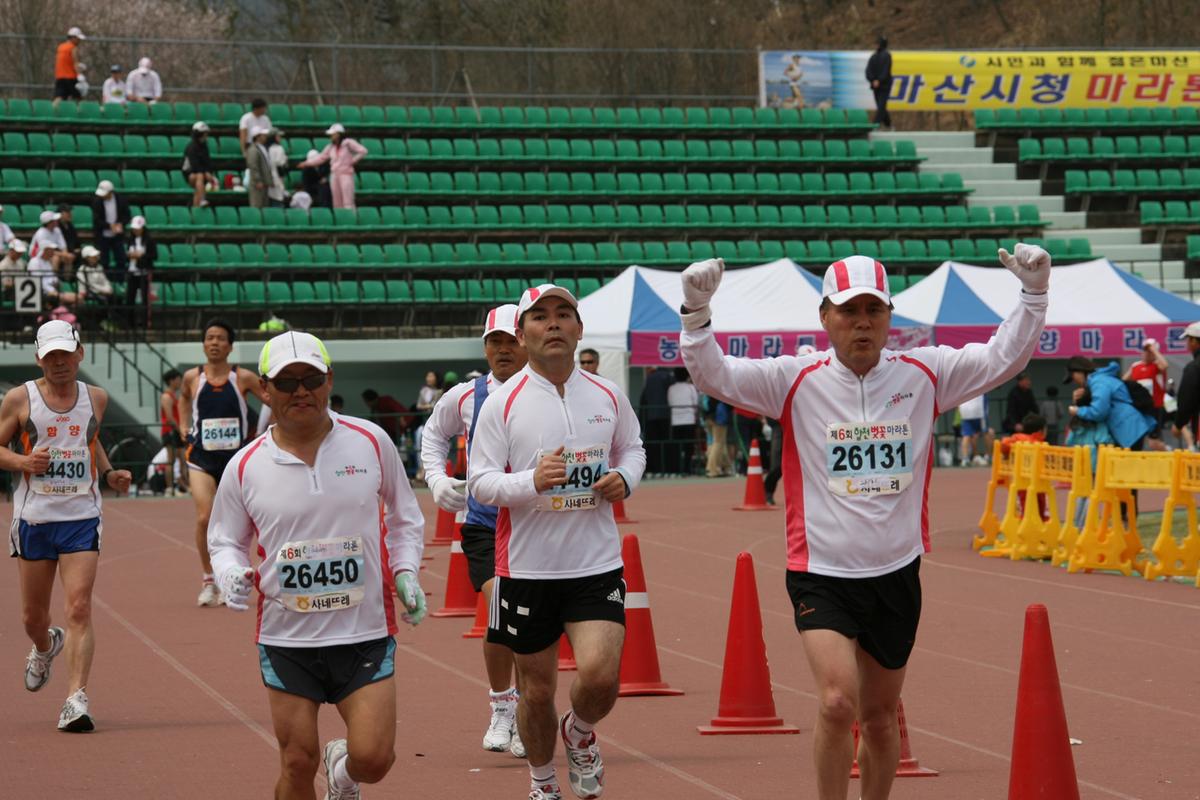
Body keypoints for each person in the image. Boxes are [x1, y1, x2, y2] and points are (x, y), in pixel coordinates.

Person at [678, 245, 1050, 800]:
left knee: (879, 717)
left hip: (895, 572)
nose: (862, 323)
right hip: (821, 572)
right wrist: (696, 313)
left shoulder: (927, 373)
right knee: (836, 701)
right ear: (825, 315)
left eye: (874, 311)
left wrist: (1033, 296)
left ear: (889, 317)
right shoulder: (793, 378)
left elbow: (1004, 358)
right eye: (850, 311)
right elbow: (714, 376)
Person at [208, 330, 426, 800]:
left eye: (311, 378)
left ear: (329, 380)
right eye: (287, 383)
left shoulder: (371, 441)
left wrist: (406, 572)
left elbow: (406, 518)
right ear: (265, 390)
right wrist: (230, 575)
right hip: (287, 639)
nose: (301, 391)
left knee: (373, 759)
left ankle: (343, 774)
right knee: (296, 760)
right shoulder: (245, 466)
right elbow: (224, 540)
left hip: (364, 631)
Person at [469, 284, 646, 800]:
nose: (553, 324)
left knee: (600, 676)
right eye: (540, 317)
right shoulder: (502, 404)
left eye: (563, 315)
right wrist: (530, 482)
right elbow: (479, 483)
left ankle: (581, 732)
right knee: (538, 690)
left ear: (578, 328)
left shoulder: (608, 394)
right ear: (523, 334)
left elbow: (633, 447)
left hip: (595, 564)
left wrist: (626, 478)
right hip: (526, 569)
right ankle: (543, 783)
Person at [1, 320, 133, 732]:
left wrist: (109, 474)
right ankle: (44, 646)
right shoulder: (19, 399)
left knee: (78, 606)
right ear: (39, 358)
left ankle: (76, 699)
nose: (59, 362)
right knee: (31, 617)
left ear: (80, 352)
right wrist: (22, 462)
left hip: (81, 518)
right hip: (35, 519)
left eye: (66, 354)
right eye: (51, 356)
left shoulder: (96, 397)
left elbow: (90, 441)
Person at [420, 304, 528, 758]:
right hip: (485, 525)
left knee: (528, 625)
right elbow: (431, 435)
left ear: (526, 341)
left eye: (511, 341)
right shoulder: (465, 396)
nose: (503, 349)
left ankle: (528, 714)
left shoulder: (547, 391)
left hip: (535, 523)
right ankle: (503, 706)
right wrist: (438, 479)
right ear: (485, 347)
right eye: (494, 342)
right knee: (502, 613)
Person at [178, 319, 270, 606]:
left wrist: (269, 431)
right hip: (202, 458)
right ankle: (209, 580)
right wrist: (183, 426)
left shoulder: (242, 377)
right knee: (205, 518)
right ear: (203, 344)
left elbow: (272, 398)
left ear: (230, 346)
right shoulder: (192, 377)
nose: (214, 342)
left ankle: (247, 574)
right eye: (209, 338)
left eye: (220, 338)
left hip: (237, 460)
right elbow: (182, 399)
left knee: (253, 519)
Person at [1066, 355, 1156, 453]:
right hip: (1129, 427)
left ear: (1079, 371)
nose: (1074, 381)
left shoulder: (1099, 382)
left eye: (1072, 377)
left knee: (1128, 465)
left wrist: (1077, 410)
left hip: (1128, 429)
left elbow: (1099, 412)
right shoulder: (1101, 379)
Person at [297, 124, 368, 210]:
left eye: (332, 134)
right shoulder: (330, 147)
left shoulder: (348, 143)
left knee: (347, 200)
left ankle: (350, 219)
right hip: (334, 174)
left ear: (338, 134)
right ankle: (339, 219)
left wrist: (352, 161)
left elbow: (363, 151)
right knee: (336, 201)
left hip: (345, 174)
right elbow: (321, 158)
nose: (330, 137)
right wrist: (306, 163)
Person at [1123, 338, 1169, 450]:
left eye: (1149, 351)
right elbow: (1123, 381)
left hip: (1154, 407)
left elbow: (1165, 365)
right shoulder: (1135, 366)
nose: (1146, 354)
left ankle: (1168, 453)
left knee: (1153, 443)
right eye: (1144, 351)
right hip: (1138, 408)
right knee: (1136, 440)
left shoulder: (1157, 366)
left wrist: (1154, 350)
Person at [90, 180, 130, 279]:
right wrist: (109, 226)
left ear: (111, 192)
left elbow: (127, 216)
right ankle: (105, 280)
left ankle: (120, 280)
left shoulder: (121, 200)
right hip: (102, 236)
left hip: (117, 235)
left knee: (121, 259)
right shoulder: (97, 201)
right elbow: (96, 220)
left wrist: (120, 224)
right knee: (104, 261)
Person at [639, 366, 673, 477]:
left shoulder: (649, 379)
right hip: (666, 416)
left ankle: (653, 469)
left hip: (651, 416)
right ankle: (667, 469)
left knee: (653, 445)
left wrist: (641, 419)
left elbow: (643, 399)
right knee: (667, 444)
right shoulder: (669, 377)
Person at [124, 215, 156, 329]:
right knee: (129, 299)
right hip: (132, 272)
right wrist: (130, 256)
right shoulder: (130, 240)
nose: (135, 230)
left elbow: (153, 256)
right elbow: (126, 255)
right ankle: (129, 324)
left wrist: (141, 256)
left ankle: (145, 325)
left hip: (144, 273)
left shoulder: (150, 241)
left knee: (144, 301)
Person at [667, 367, 699, 476]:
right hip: (689, 420)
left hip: (675, 421)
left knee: (677, 447)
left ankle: (677, 469)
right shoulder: (691, 387)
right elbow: (695, 403)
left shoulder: (671, 388)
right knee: (689, 447)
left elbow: (670, 403)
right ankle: (687, 469)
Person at [1173, 322, 1200, 444]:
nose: (1187, 344)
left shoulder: (1194, 367)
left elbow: (1186, 399)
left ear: (1194, 341)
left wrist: (1179, 424)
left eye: (1188, 339)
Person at [160, 369, 187, 496]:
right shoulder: (166, 396)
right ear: (172, 381)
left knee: (182, 459)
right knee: (171, 460)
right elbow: (170, 418)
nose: (180, 382)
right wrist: (180, 430)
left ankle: (183, 487)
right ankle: (169, 488)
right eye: (178, 379)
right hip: (170, 431)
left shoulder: (173, 396)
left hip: (175, 431)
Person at [75, 245, 115, 329]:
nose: (95, 258)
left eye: (95, 256)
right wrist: (102, 290)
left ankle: (107, 323)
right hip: (89, 296)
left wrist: (108, 289)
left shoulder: (99, 267)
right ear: (86, 258)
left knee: (114, 298)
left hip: (102, 294)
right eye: (92, 256)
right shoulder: (81, 270)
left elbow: (105, 282)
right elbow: (88, 286)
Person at [182, 122, 217, 208]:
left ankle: (195, 207)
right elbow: (194, 165)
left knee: (198, 186)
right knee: (199, 176)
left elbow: (207, 161)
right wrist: (205, 172)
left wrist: (209, 172)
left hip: (202, 172)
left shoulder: (204, 146)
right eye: (205, 133)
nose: (206, 136)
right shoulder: (191, 147)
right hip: (190, 173)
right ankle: (202, 199)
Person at [246, 126, 282, 209]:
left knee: (264, 207)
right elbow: (253, 166)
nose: (265, 137)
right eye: (263, 135)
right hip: (258, 184)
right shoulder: (253, 149)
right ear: (257, 136)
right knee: (257, 206)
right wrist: (258, 180)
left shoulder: (262, 148)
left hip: (264, 183)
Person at [864, 35, 892, 129]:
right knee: (881, 106)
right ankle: (889, 124)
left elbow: (885, 70)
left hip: (884, 86)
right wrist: (872, 80)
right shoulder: (874, 57)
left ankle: (875, 125)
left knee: (881, 105)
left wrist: (879, 80)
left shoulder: (887, 56)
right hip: (876, 86)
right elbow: (868, 70)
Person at [53, 27, 85, 107]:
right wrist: (79, 75)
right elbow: (75, 62)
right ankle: (80, 115)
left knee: (59, 97)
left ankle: (51, 112)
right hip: (70, 78)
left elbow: (64, 61)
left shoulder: (60, 47)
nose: (79, 41)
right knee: (78, 98)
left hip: (60, 77)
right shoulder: (73, 48)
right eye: (78, 38)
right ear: (73, 38)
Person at [957, 393, 992, 466]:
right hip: (979, 410)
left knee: (967, 435)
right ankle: (989, 456)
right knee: (986, 432)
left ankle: (965, 459)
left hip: (965, 410)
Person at [704, 397, 733, 478]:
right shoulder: (720, 393)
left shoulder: (708, 392)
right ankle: (711, 468)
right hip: (719, 419)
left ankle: (725, 467)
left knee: (719, 443)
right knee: (718, 443)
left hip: (708, 418)